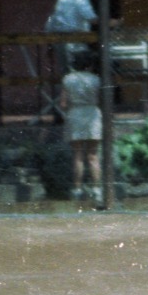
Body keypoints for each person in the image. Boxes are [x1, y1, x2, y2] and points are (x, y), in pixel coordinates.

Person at [60, 54, 101, 201]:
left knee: (78, 156)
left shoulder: (68, 79)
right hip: (92, 114)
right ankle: (97, 189)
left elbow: (63, 103)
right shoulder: (96, 79)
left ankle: (77, 189)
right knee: (93, 155)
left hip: (75, 113)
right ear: (90, 65)